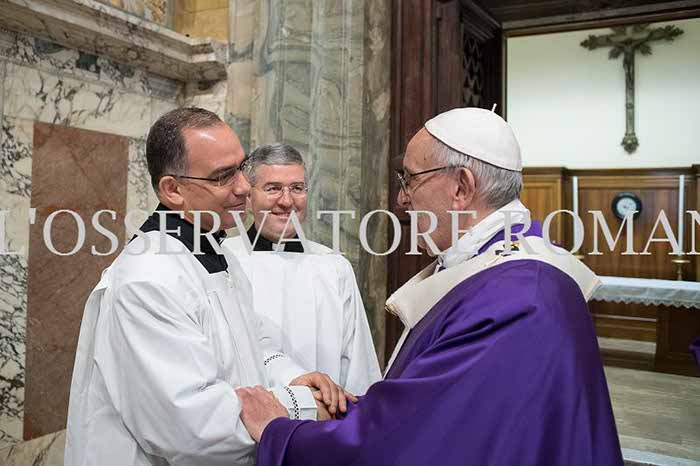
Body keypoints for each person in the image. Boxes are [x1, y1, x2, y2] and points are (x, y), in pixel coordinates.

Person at [235, 107, 624, 466]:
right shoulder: (503, 276)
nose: (401, 199)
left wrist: (281, 433)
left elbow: (405, 439)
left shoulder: (516, 297)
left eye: (410, 179)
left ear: (461, 188)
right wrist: (340, 411)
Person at [64, 107, 351, 466]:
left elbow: (251, 344)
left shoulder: (213, 252)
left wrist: (293, 377)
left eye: (242, 167)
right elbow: (192, 425)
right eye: (222, 176)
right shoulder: (147, 279)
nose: (244, 187)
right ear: (173, 190)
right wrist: (303, 406)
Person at [223, 144, 381, 395]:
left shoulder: (333, 267)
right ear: (249, 197)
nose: (287, 201)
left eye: (297, 188)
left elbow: (357, 365)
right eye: (273, 188)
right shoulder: (224, 260)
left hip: (324, 415)